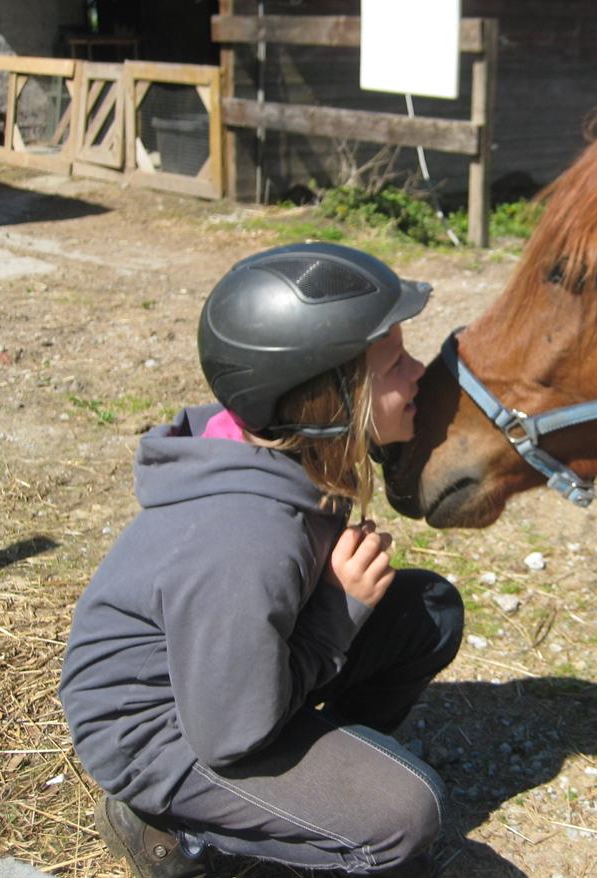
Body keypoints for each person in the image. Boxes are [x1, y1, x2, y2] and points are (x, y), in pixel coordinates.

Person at [59, 243, 464, 878]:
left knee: (427, 612)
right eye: (395, 364)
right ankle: (181, 833)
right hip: (167, 736)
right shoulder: (246, 540)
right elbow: (229, 733)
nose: (418, 373)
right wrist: (339, 611)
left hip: (232, 681)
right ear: (332, 400)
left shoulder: (284, 445)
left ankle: (313, 791)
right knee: (408, 815)